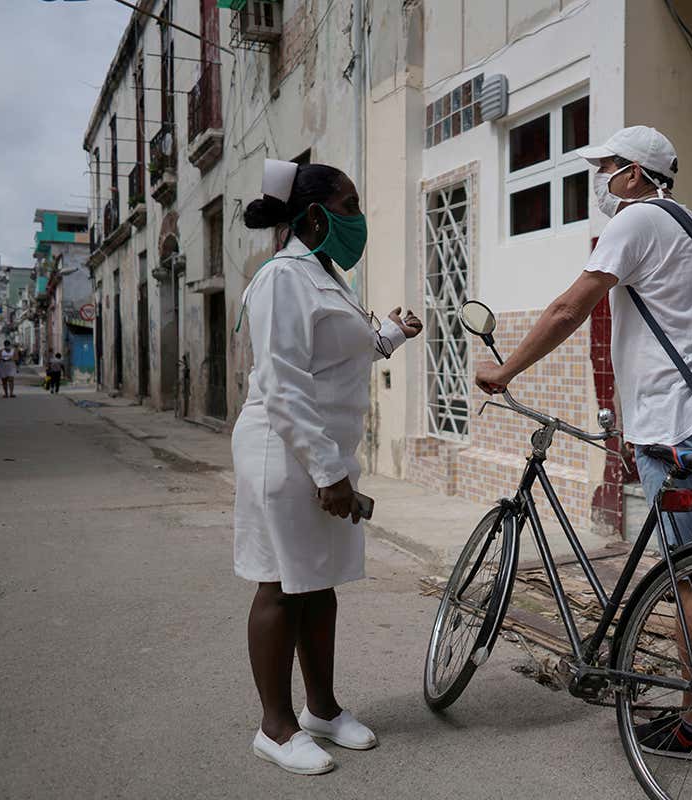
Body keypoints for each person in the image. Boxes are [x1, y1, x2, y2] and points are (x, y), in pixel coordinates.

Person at [474, 126, 692, 764]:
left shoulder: (635, 223)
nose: (601, 181)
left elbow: (568, 310)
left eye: (607, 168)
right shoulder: (691, 220)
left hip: (672, 422)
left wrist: (504, 372)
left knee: (687, 574)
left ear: (635, 173)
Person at [233, 159, 422, 775]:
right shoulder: (282, 277)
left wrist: (388, 336)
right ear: (315, 216)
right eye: (350, 206)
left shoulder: (324, 275)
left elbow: (336, 358)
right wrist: (325, 472)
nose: (358, 219)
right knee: (282, 585)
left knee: (319, 582)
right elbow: (284, 382)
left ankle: (321, 709)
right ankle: (275, 726)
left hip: (325, 449)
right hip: (285, 450)